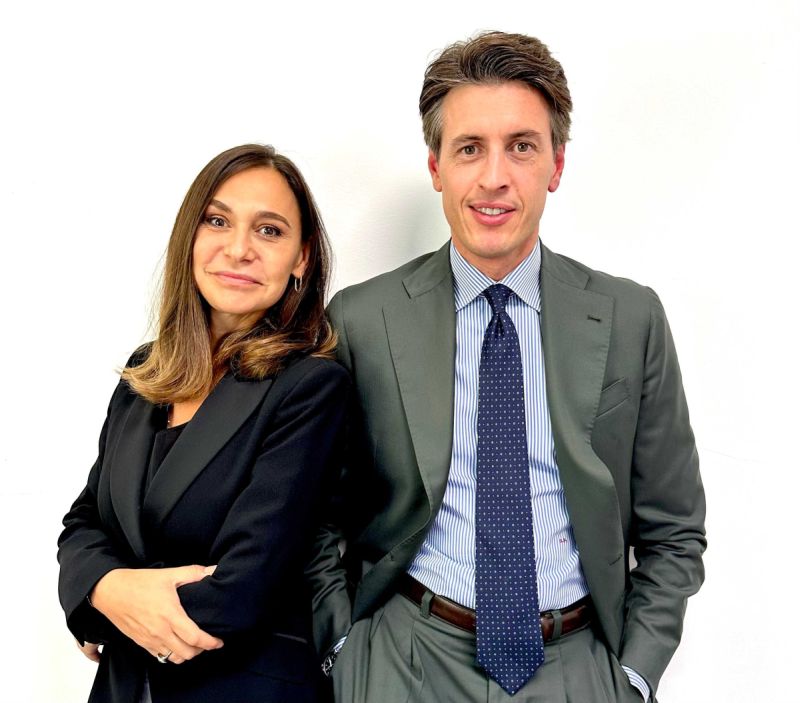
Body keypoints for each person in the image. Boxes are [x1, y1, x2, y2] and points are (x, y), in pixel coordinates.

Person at [308, 32, 706, 702]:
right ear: (436, 166)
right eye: (470, 148)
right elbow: (319, 514)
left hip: (578, 667)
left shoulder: (630, 317)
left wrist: (633, 677)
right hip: (406, 662)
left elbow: (675, 529)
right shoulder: (362, 320)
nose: (494, 177)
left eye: (521, 146)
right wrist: (345, 654)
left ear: (556, 163)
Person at [57, 144, 349, 703]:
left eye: (269, 230)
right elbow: (85, 522)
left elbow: (244, 587)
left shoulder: (309, 387)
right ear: (189, 236)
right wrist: (105, 588)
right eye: (217, 221)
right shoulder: (146, 372)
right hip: (124, 688)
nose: (238, 249)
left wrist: (98, 601)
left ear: (302, 259)